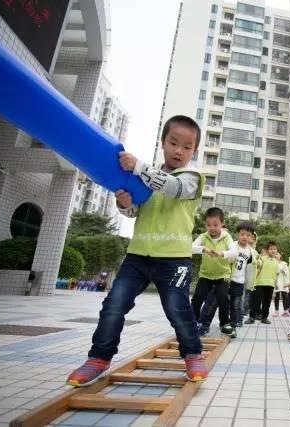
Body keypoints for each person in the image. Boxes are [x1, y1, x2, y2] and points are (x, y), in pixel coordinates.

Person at [66, 115, 208, 386]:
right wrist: (124, 203)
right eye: (173, 142)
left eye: (187, 147)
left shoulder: (192, 177)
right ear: (163, 142)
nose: (179, 150)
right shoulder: (144, 177)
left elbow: (173, 188)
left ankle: (192, 354)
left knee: (178, 309)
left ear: (194, 151)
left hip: (174, 259)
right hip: (138, 255)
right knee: (113, 305)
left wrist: (138, 167)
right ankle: (98, 358)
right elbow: (134, 212)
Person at [191, 207, 237, 336]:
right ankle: (194, 322)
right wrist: (203, 249)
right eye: (208, 225)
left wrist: (222, 253)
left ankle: (224, 324)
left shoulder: (226, 237)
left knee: (222, 298)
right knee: (197, 298)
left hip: (223, 274)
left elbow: (234, 252)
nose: (212, 228)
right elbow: (191, 248)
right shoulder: (203, 236)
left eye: (215, 225)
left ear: (222, 223)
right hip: (206, 274)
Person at [245, 242, 279, 324]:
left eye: (275, 249)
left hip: (270, 284)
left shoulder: (276, 262)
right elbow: (255, 265)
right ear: (267, 250)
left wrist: (276, 284)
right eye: (271, 249)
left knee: (267, 302)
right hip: (259, 283)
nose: (273, 251)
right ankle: (251, 317)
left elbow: (276, 274)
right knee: (255, 301)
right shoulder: (262, 258)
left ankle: (264, 317)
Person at [273, 252, 290, 317]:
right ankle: (276, 311)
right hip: (276, 282)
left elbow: (287, 273)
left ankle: (286, 311)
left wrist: (287, 283)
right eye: (275, 254)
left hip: (283, 282)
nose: (276, 255)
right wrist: (274, 283)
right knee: (276, 297)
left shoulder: (284, 263)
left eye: (277, 254)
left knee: (285, 296)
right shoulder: (273, 263)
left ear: (280, 255)